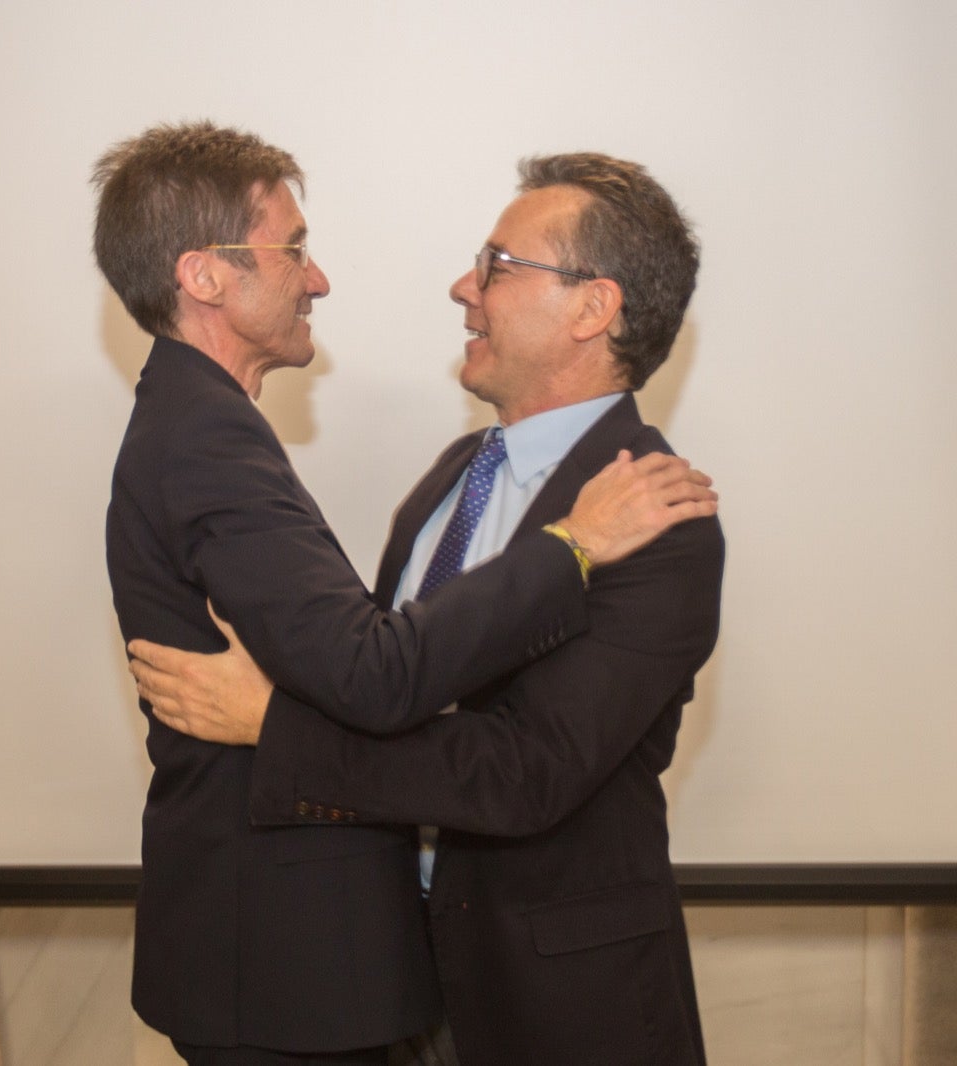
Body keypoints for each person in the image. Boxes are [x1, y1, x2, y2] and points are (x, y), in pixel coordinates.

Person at [95, 123, 717, 1065]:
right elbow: (387, 683)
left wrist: (278, 726)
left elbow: (525, 775)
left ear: (593, 307)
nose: (465, 288)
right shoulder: (454, 477)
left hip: (556, 1004)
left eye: (497, 265)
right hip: (396, 980)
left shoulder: (657, 516)